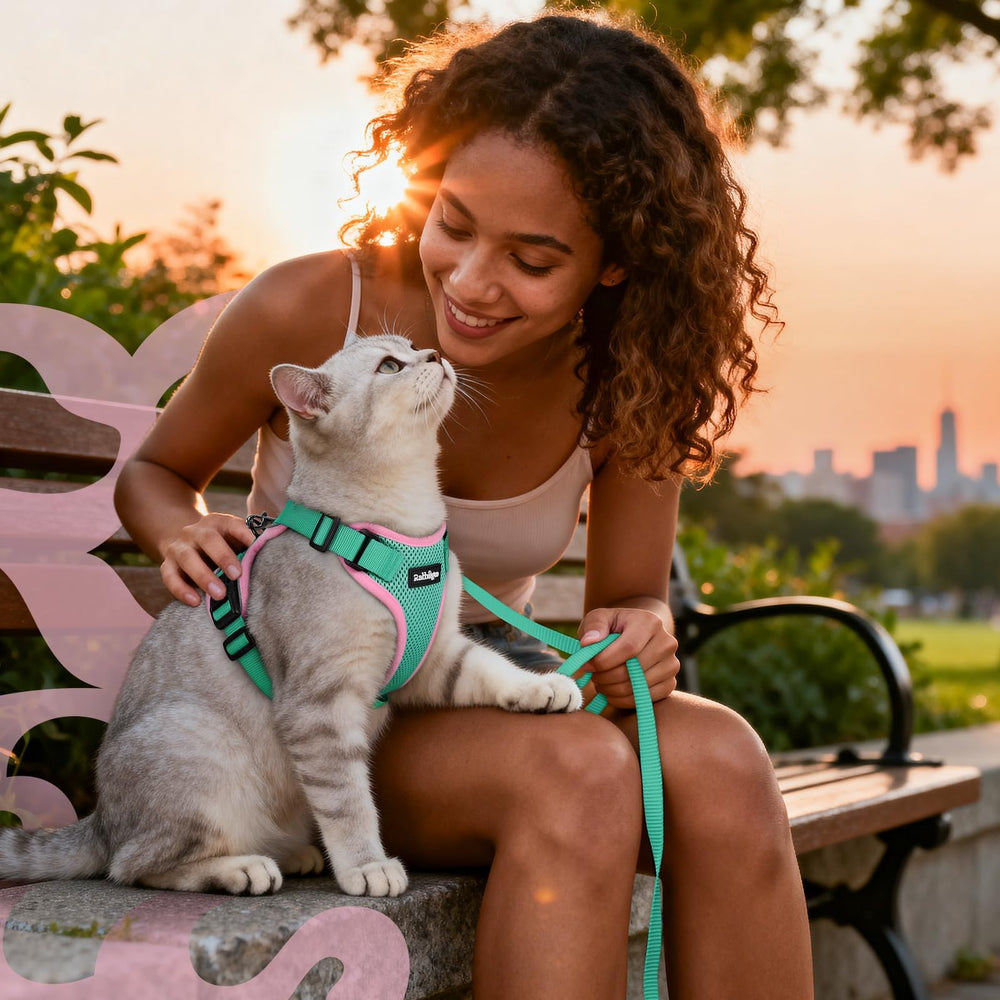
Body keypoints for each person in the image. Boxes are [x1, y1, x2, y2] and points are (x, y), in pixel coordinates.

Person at [115, 10, 814, 999]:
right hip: (307, 714)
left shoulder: (633, 374)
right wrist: (180, 528)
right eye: (453, 224)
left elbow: (629, 598)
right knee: (575, 772)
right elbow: (155, 472)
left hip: (479, 683)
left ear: (617, 261)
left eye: (532, 260)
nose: (473, 285)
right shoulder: (314, 308)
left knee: (725, 762)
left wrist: (641, 633)